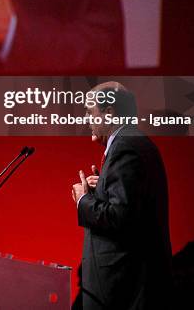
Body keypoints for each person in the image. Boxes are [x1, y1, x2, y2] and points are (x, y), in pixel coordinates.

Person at [72, 81, 172, 309]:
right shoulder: (130, 143)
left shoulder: (126, 147)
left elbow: (120, 217)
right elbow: (130, 208)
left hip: (126, 292)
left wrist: (83, 200)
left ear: (109, 113)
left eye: (90, 112)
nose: (86, 120)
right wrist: (100, 193)